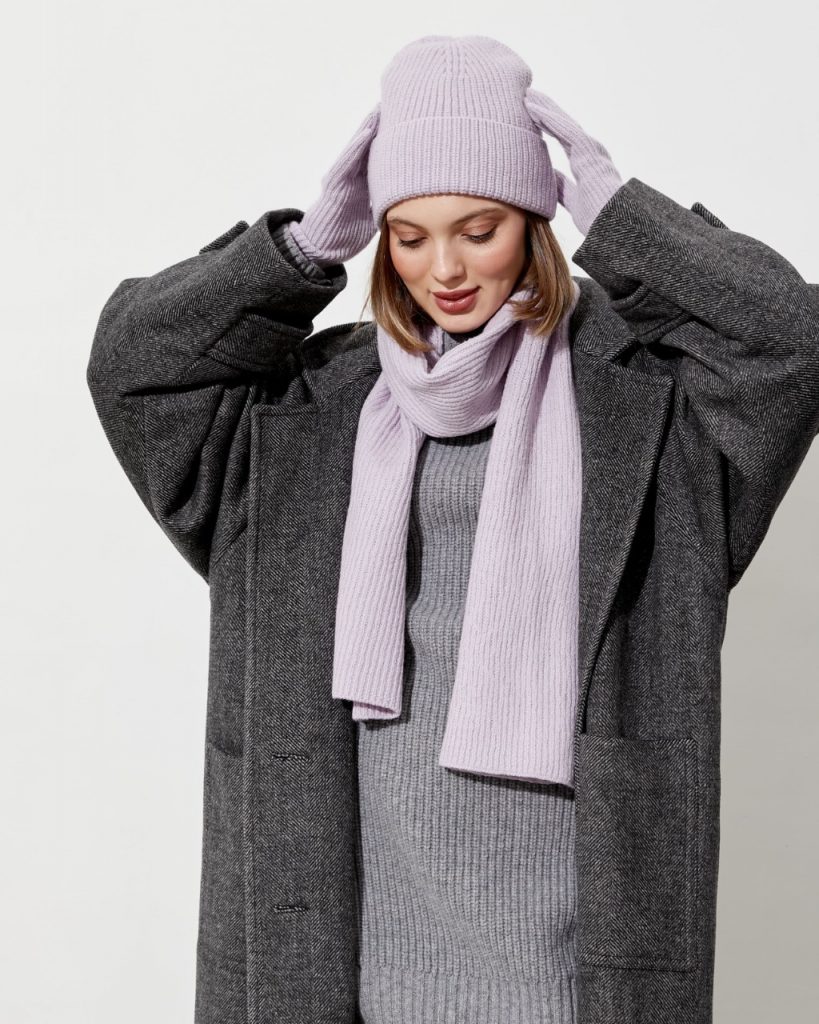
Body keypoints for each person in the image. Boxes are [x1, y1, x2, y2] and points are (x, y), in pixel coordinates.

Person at [86, 33, 819, 1024]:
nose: (445, 269)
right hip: (337, 951)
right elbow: (134, 369)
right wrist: (300, 254)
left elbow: (792, 344)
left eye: (479, 229)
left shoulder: (650, 411)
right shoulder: (305, 414)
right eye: (409, 235)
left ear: (533, 221)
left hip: (575, 958)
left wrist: (625, 223)